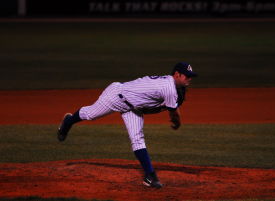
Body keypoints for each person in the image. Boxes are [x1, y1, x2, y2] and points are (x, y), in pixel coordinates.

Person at [57, 62, 197, 188]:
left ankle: (150, 177)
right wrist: (177, 123)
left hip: (134, 108)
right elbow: (173, 113)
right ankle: (68, 121)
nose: (189, 78)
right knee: (90, 114)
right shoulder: (169, 88)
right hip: (116, 96)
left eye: (191, 76)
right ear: (177, 74)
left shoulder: (173, 86)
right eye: (187, 76)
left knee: (137, 139)